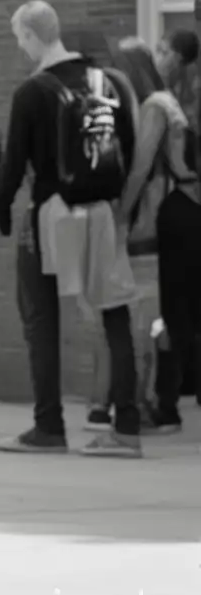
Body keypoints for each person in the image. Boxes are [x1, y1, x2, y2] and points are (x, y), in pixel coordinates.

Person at [0, 0, 140, 456]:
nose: (21, 48)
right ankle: (127, 430)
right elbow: (129, 150)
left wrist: (2, 212)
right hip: (100, 210)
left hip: (51, 216)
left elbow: (13, 165)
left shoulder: (32, 92)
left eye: (20, 39)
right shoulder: (110, 81)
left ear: (34, 36)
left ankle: (48, 426)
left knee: (41, 319)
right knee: (115, 317)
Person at [121, 32, 201, 430]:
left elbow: (139, 168)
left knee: (172, 311)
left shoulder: (156, 106)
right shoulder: (179, 104)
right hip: (194, 205)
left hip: (178, 211)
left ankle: (165, 405)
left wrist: (122, 213)